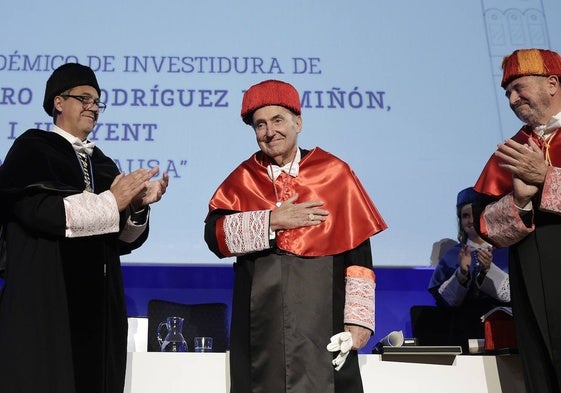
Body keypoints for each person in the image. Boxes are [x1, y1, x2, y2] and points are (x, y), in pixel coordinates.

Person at [204, 79, 387, 393]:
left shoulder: (335, 173)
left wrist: (358, 322)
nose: (269, 131)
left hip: (323, 318)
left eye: (277, 120)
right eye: (260, 125)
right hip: (263, 323)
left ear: (298, 122)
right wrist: (272, 221)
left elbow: (359, 253)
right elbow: (215, 237)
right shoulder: (242, 179)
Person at [0, 63, 169, 393]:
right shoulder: (32, 149)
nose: (93, 107)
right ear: (58, 102)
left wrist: (135, 207)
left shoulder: (103, 164)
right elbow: (40, 213)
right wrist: (112, 201)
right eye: (84, 98)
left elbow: (118, 239)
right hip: (46, 298)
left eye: (98, 101)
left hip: (99, 307)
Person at [472, 48, 561, 392]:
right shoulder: (513, 149)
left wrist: (547, 178)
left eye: (519, 87)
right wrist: (520, 200)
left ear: (552, 84)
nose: (512, 98)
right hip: (531, 288)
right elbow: (489, 228)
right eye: (507, 92)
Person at [427, 187, 510, 352]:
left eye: (475, 215)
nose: (470, 220)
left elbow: (512, 294)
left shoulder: (505, 250)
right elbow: (446, 303)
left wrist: (487, 270)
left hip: (501, 330)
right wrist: (462, 274)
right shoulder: (453, 255)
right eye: (465, 216)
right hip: (463, 331)